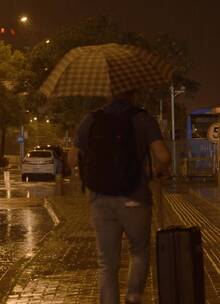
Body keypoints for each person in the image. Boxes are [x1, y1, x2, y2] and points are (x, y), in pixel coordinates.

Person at [68, 90, 171, 304]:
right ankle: (133, 296)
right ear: (133, 94)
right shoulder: (142, 118)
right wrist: (159, 169)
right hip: (135, 197)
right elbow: (163, 156)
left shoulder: (91, 119)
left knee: (107, 264)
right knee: (139, 251)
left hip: (100, 200)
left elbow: (72, 159)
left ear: (107, 94)